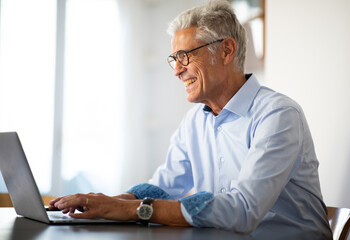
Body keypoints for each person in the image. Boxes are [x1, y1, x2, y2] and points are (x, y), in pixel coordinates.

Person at [50, 0, 332, 238]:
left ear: (226, 50)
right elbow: (163, 187)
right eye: (174, 59)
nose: (177, 71)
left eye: (184, 56)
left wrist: (129, 210)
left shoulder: (278, 115)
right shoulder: (194, 121)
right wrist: (108, 203)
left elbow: (243, 210)